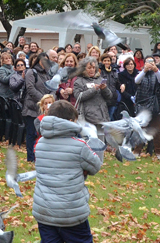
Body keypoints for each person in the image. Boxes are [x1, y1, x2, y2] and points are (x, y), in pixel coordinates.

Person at [33, 100, 103, 242]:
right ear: (71, 121)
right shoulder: (79, 146)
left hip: (44, 209)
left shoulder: (40, 144)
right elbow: (95, 166)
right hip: (70, 211)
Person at [22, 53, 54, 162]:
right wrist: (43, 100)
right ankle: (31, 157)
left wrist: (50, 100)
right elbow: (30, 88)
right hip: (32, 108)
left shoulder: (49, 74)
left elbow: (53, 87)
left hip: (46, 110)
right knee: (32, 133)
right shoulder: (31, 72)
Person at [134, 55, 160, 158]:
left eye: (152, 62)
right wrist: (144, 70)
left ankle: (158, 152)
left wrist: (156, 70)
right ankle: (137, 151)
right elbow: (136, 81)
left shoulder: (157, 73)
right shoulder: (141, 73)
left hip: (154, 105)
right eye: (147, 62)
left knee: (156, 129)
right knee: (141, 128)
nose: (150, 64)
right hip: (142, 105)